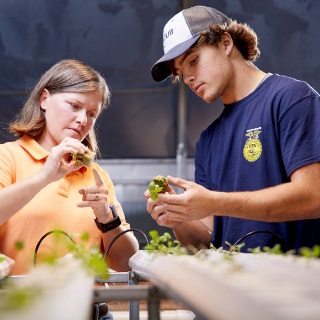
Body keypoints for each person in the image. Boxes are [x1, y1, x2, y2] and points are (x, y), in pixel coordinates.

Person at [145, 6, 320, 253]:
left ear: (225, 43)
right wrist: (180, 217)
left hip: (293, 285)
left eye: (193, 61)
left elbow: (313, 196)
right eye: (181, 73)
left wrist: (213, 201)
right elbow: (205, 239)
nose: (189, 78)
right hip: (234, 286)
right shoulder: (208, 140)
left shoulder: (291, 98)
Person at [0, 59, 139, 276]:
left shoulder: (97, 177)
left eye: (92, 114)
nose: (83, 119)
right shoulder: (7, 157)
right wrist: (44, 177)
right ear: (44, 99)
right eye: (74, 106)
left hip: (85, 306)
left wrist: (106, 218)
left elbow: (126, 263)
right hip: (21, 306)